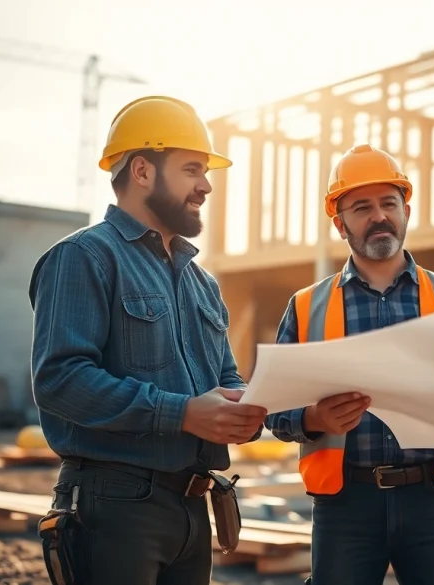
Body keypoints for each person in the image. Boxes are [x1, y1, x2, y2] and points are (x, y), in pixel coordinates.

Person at [28, 95, 267, 585]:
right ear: (142, 170)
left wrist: (244, 410)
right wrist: (183, 413)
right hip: (115, 506)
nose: (206, 186)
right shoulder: (84, 257)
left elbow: (224, 379)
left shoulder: (202, 282)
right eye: (192, 170)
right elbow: (60, 380)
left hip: (192, 505)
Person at [264, 144, 434, 585]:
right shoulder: (307, 306)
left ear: (406, 210)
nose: (379, 216)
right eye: (362, 207)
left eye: (389, 203)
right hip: (346, 504)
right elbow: (272, 409)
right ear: (339, 223)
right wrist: (313, 417)